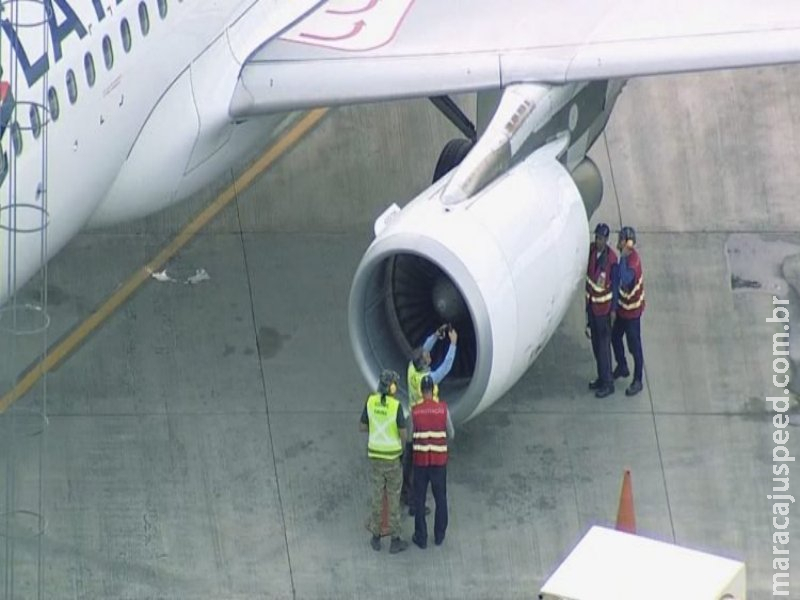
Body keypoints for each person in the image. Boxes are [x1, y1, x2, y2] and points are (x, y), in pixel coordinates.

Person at [402, 324, 458, 513]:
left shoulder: (412, 368)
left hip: (412, 416)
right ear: (424, 365)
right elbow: (447, 366)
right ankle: (413, 500)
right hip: (424, 421)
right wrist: (453, 344)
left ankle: (405, 490)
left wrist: (435, 334)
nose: (429, 356)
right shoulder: (428, 380)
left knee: (409, 456)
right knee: (420, 462)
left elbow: (424, 348)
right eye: (427, 358)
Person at [359, 369, 409, 553]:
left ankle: (375, 537)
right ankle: (395, 540)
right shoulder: (395, 407)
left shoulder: (370, 402)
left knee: (377, 496)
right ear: (392, 387)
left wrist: (377, 428)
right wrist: (401, 448)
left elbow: (362, 426)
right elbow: (403, 433)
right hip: (392, 459)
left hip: (375, 457)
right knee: (394, 497)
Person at [411, 375, 454, 548]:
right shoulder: (443, 409)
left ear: (421, 392)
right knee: (440, 498)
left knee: (420, 500)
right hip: (439, 462)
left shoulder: (415, 411)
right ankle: (439, 535)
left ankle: (421, 537)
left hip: (421, 462)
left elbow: (409, 435)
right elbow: (451, 433)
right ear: (433, 390)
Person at [611, 226, 646, 396]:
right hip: (623, 310)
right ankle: (622, 365)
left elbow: (625, 278)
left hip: (632, 313)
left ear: (628, 243)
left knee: (635, 346)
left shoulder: (632, 261)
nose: (618, 242)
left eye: (621, 239)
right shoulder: (624, 258)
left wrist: (623, 258)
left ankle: (638, 379)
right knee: (615, 336)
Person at [585, 223, 618, 398]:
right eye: (597, 237)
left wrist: (613, 311)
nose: (598, 241)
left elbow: (614, 287)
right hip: (592, 308)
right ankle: (601, 377)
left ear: (606, 240)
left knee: (604, 349)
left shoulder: (611, 260)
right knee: (596, 347)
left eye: (601, 238)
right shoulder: (591, 252)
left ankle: (608, 383)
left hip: (604, 312)